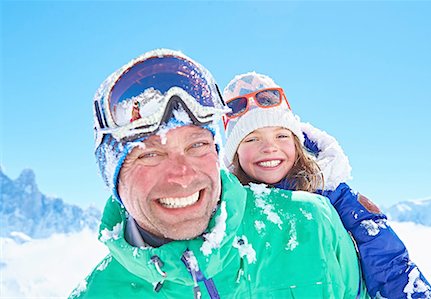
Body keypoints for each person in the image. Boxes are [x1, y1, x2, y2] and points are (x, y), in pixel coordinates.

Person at [69, 49, 370, 298]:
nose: (183, 175)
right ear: (114, 177)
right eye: (150, 154)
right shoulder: (100, 292)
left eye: (197, 145)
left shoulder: (309, 223)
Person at [222, 72, 431, 299]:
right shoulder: (230, 207)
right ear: (235, 153)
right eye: (252, 139)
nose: (269, 148)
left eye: (281, 136)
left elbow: (390, 266)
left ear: (297, 144)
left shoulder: (331, 193)